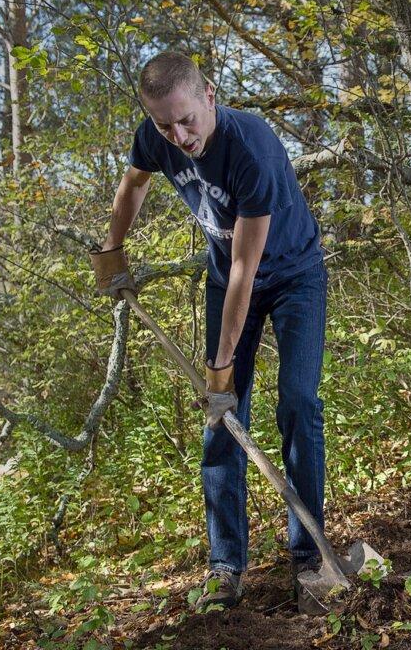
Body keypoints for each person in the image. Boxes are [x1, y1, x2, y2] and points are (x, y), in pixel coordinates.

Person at [90, 51, 328, 609]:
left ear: (210, 96)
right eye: (164, 125)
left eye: (186, 120)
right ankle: (226, 565)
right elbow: (134, 185)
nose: (179, 136)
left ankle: (309, 557)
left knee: (297, 402)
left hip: (293, 277)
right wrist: (112, 249)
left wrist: (220, 369)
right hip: (226, 279)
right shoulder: (156, 136)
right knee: (221, 421)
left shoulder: (252, 149)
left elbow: (249, 268)